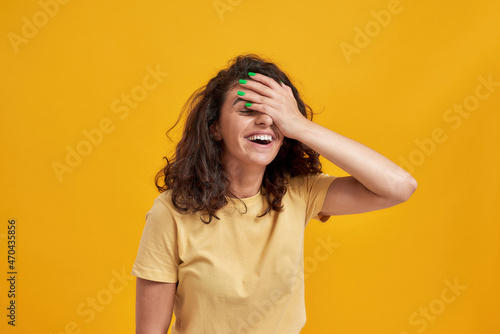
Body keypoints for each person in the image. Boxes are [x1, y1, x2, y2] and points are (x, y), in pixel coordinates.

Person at [131, 54, 417, 333]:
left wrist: (300, 125)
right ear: (215, 127)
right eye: (247, 110)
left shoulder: (300, 193)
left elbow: (399, 187)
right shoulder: (171, 212)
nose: (265, 122)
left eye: (275, 115)